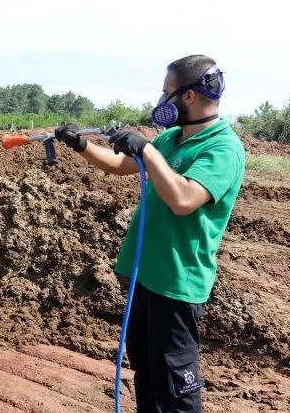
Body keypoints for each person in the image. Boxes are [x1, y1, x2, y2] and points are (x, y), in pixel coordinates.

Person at [54, 54, 246, 412]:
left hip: (176, 284)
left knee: (176, 388)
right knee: (146, 373)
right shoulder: (173, 137)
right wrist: (80, 145)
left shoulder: (223, 148)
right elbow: (121, 165)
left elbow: (184, 199)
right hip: (144, 276)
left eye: (167, 92)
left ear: (188, 96)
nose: (162, 101)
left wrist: (147, 149)